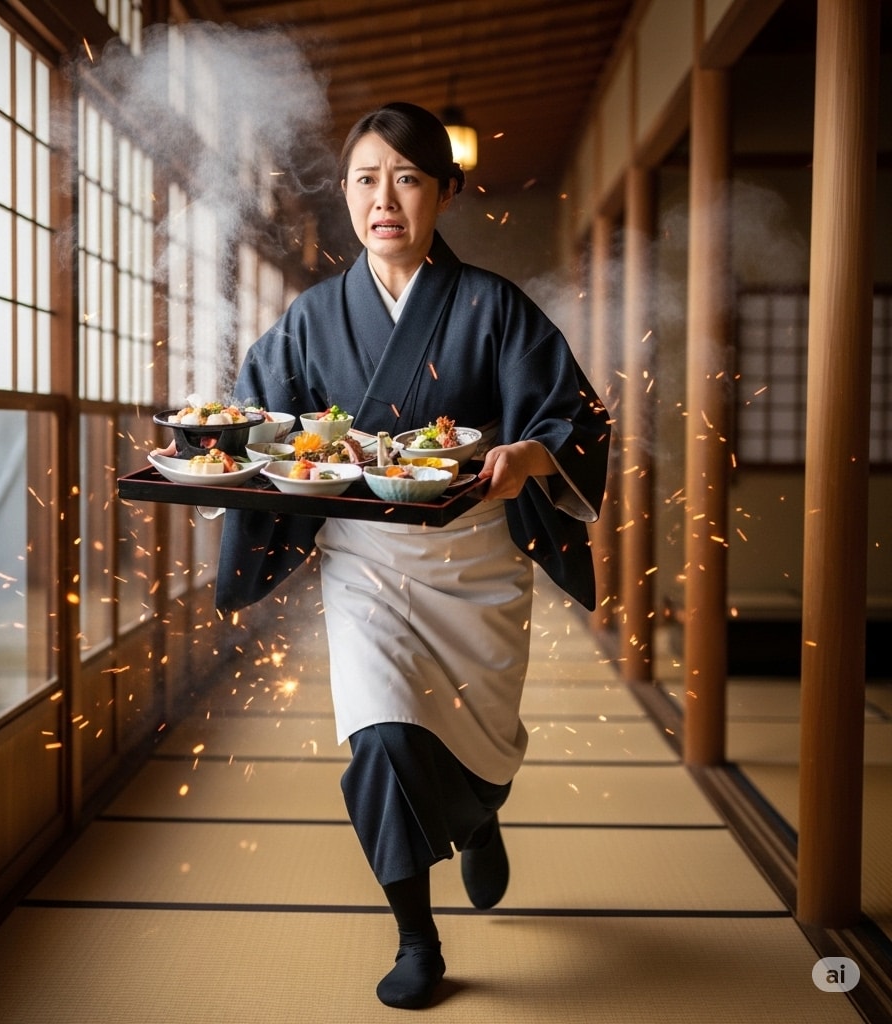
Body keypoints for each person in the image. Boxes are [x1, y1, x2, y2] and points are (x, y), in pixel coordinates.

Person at [214, 102, 610, 1009]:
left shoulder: (494, 305)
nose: (383, 198)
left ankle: (479, 817)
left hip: (474, 562)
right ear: (346, 195)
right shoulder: (313, 318)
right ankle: (415, 936)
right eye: (365, 179)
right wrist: (258, 446)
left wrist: (531, 454)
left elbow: (576, 418)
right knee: (383, 738)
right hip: (366, 563)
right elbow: (263, 423)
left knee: (480, 740)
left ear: (444, 192)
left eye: (406, 178)